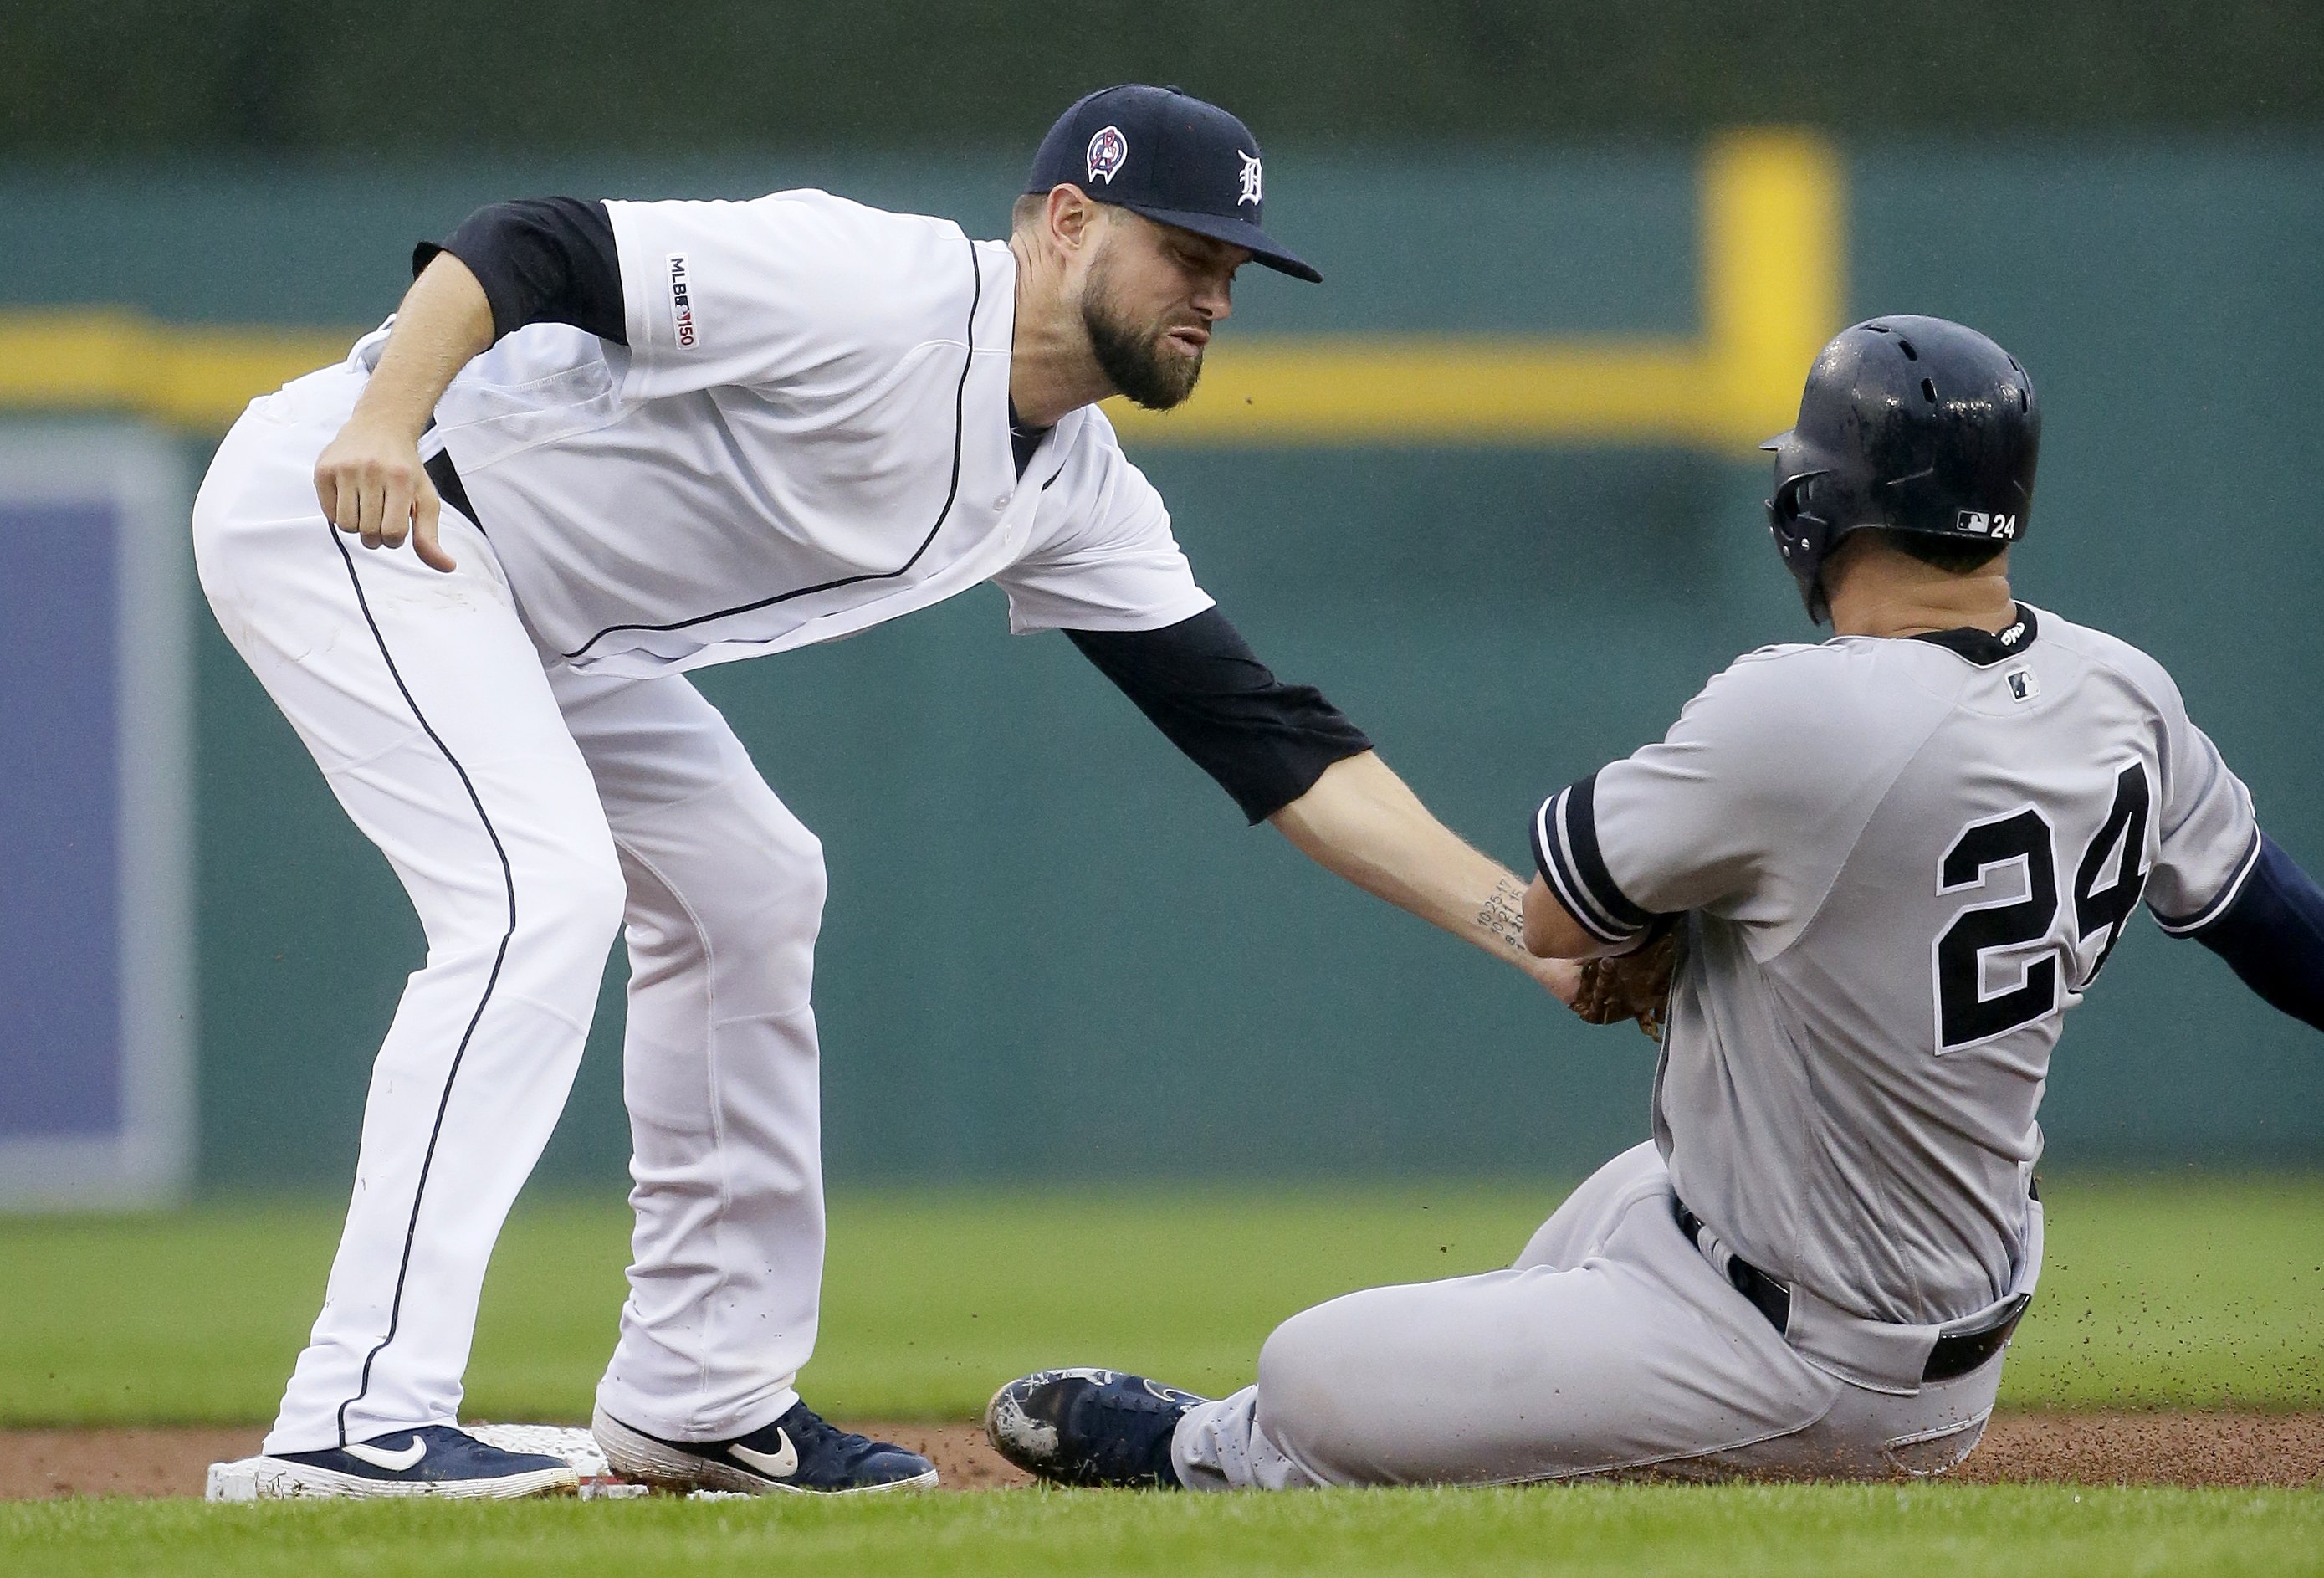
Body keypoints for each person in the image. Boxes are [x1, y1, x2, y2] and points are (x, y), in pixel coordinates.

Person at [192, 84, 1574, 1500]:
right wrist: (382, 416)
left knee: (750, 882)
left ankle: (697, 1391)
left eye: (1232, 271)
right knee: (537, 894)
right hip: (373, 508)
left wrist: (1527, 929)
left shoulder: (1074, 488)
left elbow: (1274, 743)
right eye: (1185, 254)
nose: (1214, 296)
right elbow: (532, 243)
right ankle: (354, 1410)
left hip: (542, 619)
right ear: (1066, 221)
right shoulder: (872, 288)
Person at [985, 315, 2324, 1489]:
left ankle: (1210, 1450)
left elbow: (1562, 917)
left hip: (1798, 1357)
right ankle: (1472, 1416)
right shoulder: (2120, 691)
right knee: (1631, 1195)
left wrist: (1641, 931)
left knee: (1309, 1368)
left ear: (1818, 506)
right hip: (1909, 1301)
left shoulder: (1801, 706)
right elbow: (2274, 923)